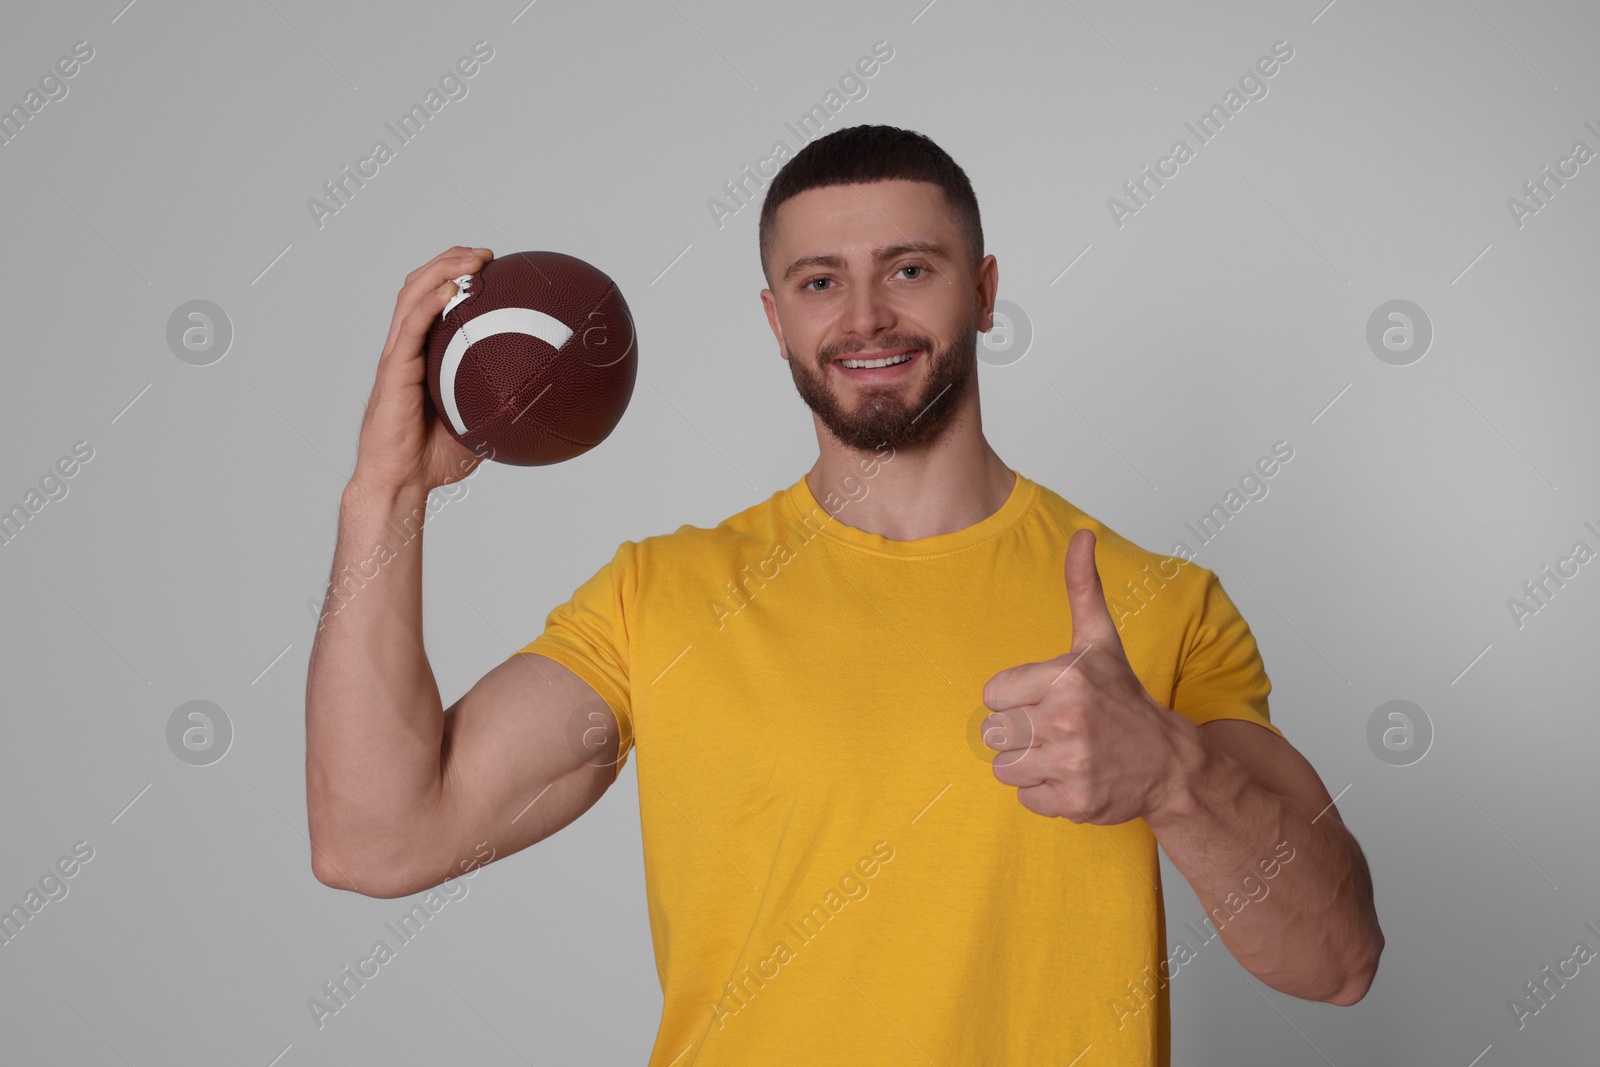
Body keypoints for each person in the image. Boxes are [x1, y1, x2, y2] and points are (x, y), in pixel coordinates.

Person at [305, 124, 1382, 1065]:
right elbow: (377, 839)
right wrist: (386, 492)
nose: (865, 315)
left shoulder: (1154, 604)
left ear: (984, 290)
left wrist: (1174, 773)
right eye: (820, 281)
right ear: (775, 319)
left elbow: (1336, 959)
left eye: (910, 269)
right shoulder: (663, 597)